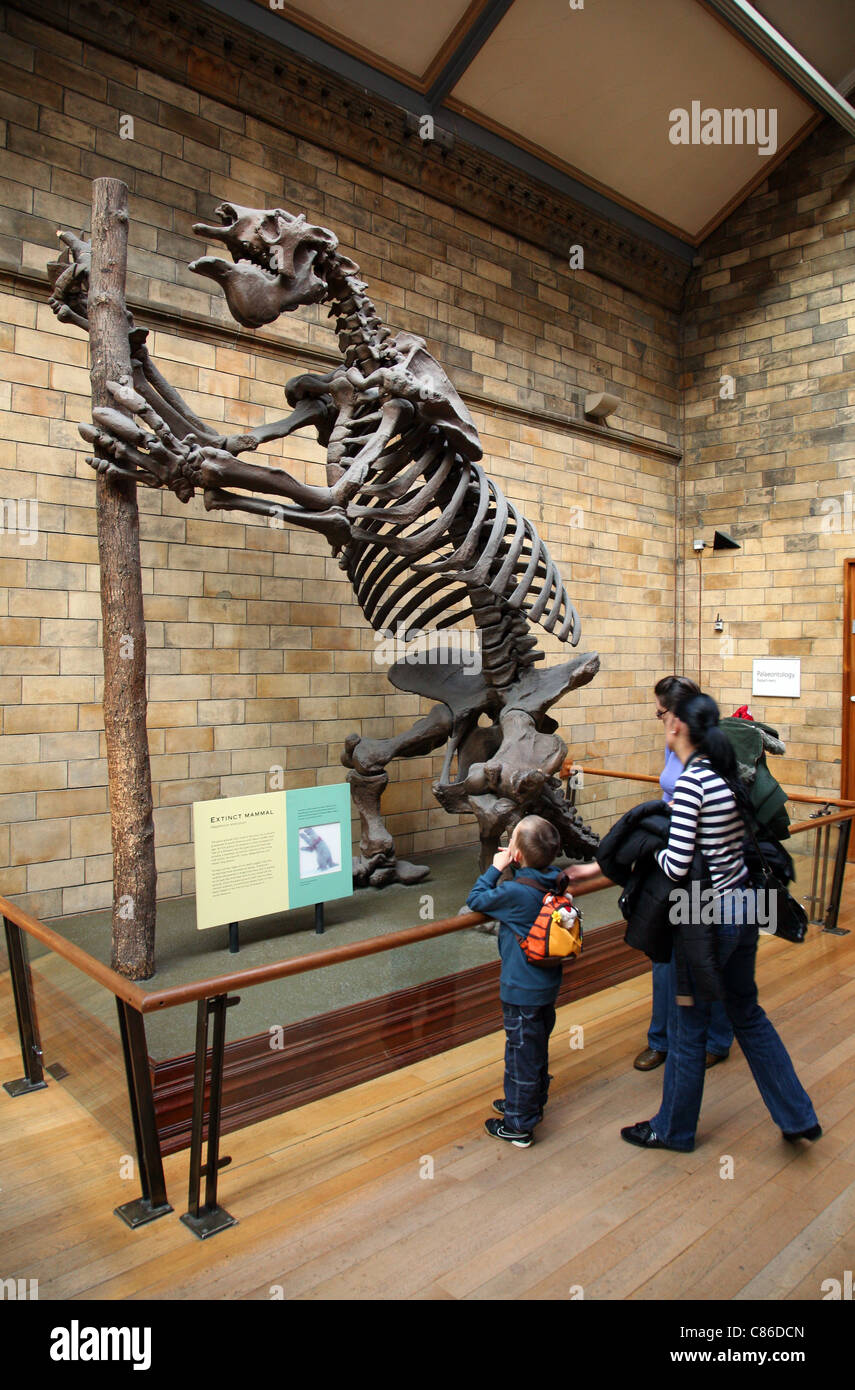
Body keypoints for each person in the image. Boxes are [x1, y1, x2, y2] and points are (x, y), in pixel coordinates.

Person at [618, 692, 820, 1152]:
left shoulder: (692, 784)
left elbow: (677, 864)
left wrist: (646, 851)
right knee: (748, 1014)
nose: (663, 723)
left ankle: (673, 1130)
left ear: (677, 728)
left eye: (665, 717)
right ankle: (797, 1115)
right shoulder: (725, 776)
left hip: (705, 919)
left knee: (688, 1028)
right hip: (744, 908)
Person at [635, 676, 734, 1074]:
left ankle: (714, 1039)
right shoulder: (673, 743)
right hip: (676, 858)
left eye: (660, 712)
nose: (658, 719)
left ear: (675, 716)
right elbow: (668, 794)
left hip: (701, 870)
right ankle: (661, 1038)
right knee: (663, 958)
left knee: (706, 957)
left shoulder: (711, 757)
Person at [467, 815, 567, 1148]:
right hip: (547, 986)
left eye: (512, 841)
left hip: (521, 989)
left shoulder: (514, 893)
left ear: (517, 855)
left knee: (520, 1052)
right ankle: (526, 1102)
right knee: (534, 1046)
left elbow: (477, 899)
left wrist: (496, 867)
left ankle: (519, 1125)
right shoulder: (556, 879)